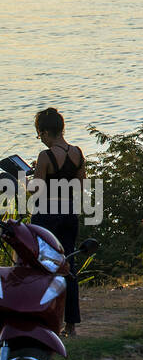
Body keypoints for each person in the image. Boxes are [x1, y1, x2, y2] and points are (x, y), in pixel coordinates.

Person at [30, 107, 85, 336]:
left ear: (44, 132)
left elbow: (37, 191)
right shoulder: (78, 154)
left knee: (41, 266)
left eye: (39, 134)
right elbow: (80, 187)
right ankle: (70, 325)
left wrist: (28, 179)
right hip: (69, 213)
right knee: (68, 267)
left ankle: (42, 320)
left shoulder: (45, 156)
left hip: (46, 214)